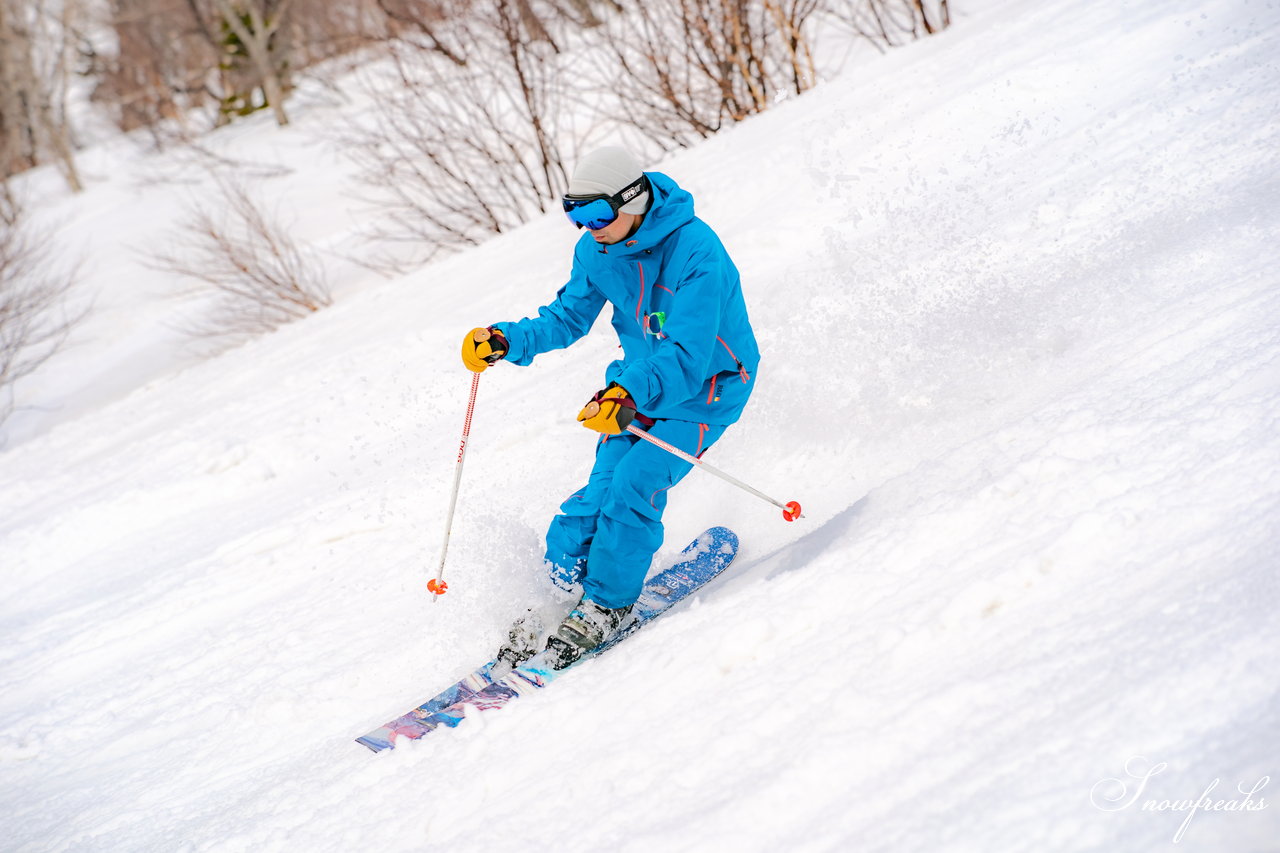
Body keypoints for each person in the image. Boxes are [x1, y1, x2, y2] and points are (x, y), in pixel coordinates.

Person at [461, 146, 759, 669]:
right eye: (576, 216)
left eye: (598, 214)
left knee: (633, 485)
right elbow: (567, 318)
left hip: (708, 386)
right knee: (591, 499)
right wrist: (508, 340)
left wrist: (629, 392)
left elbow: (689, 354)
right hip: (635, 385)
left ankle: (606, 605)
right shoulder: (595, 251)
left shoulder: (696, 251)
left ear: (634, 201)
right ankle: (553, 598)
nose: (588, 227)